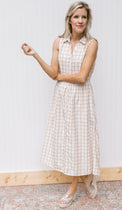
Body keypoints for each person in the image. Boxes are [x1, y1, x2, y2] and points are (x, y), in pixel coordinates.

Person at [21, 1, 100, 208]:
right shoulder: (58, 42)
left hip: (81, 99)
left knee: (79, 143)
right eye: (76, 17)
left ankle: (72, 189)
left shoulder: (91, 44)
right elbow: (52, 73)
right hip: (62, 99)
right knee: (69, 142)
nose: (80, 21)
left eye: (84, 17)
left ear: (87, 20)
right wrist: (35, 55)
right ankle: (86, 179)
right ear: (69, 19)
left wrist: (60, 77)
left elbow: (82, 77)